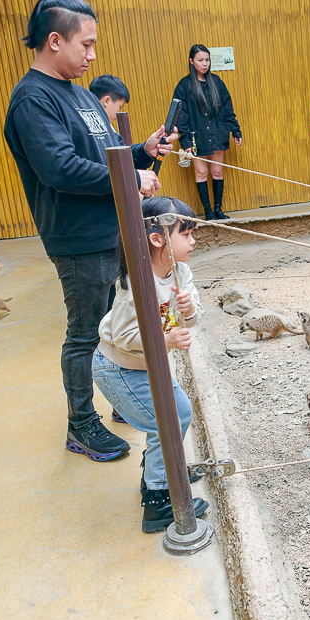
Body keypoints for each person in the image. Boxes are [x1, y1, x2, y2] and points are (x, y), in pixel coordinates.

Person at [3, 0, 177, 463]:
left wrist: (141, 152)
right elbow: (60, 168)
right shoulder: (32, 99)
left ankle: (121, 395)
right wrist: (131, 178)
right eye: (87, 44)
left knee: (117, 321)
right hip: (77, 237)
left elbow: (103, 157)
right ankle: (80, 425)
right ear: (55, 40)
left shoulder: (80, 94)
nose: (92, 55)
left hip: (112, 229)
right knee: (85, 334)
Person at [92, 196, 208, 533]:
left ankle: (164, 469)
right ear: (157, 239)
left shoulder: (180, 271)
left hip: (148, 366)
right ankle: (158, 500)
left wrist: (187, 309)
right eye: (185, 234)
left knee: (179, 413)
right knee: (166, 423)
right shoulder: (136, 284)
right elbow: (123, 335)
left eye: (192, 233)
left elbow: (193, 317)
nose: (193, 241)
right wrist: (167, 340)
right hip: (119, 368)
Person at [172, 44, 242, 221]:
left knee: (217, 171)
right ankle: (208, 211)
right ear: (191, 61)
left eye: (207, 60)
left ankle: (218, 209)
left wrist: (235, 129)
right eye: (200, 60)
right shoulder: (184, 85)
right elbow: (181, 116)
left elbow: (228, 107)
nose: (204, 64)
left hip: (218, 133)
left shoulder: (217, 82)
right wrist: (186, 141)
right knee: (201, 173)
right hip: (197, 136)